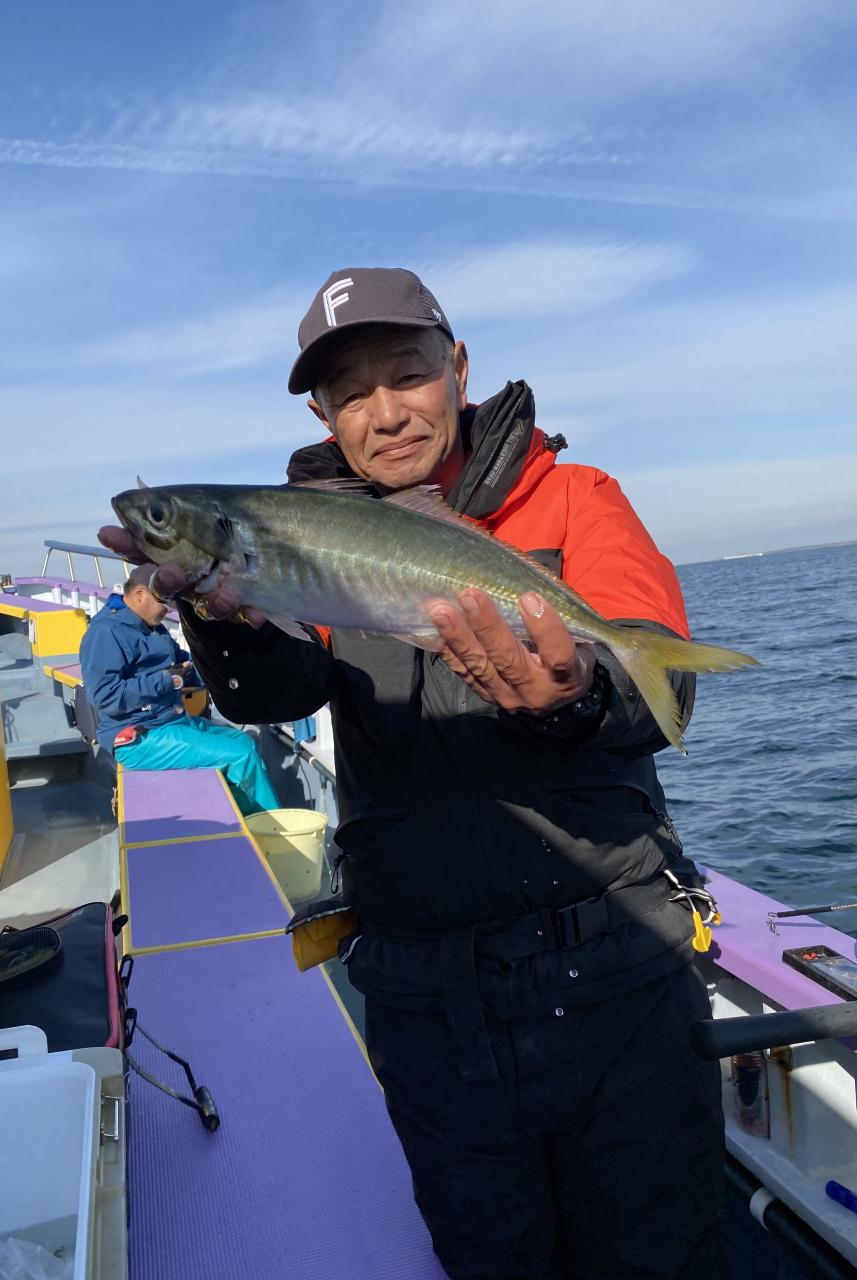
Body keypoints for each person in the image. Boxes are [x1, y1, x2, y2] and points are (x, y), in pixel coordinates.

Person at [99, 268, 726, 1280]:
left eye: (406, 374)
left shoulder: (574, 498)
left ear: (458, 369)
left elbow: (656, 687)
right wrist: (223, 622)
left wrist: (574, 692)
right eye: (351, 392)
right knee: (486, 1255)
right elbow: (278, 689)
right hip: (425, 997)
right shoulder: (299, 528)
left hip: (613, 971)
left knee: (657, 1253)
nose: (384, 412)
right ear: (322, 414)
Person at [79, 567, 279, 816]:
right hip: (141, 736)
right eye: (164, 602)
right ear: (140, 594)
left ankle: (245, 819)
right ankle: (272, 830)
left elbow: (186, 667)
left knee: (243, 742)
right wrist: (166, 680)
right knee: (241, 756)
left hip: (172, 722)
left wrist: (230, 675)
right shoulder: (106, 633)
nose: (169, 610)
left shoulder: (152, 626)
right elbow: (104, 696)